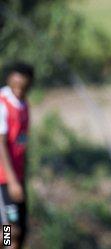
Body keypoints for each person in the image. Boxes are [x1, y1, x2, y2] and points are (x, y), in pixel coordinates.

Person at [0, 62, 33, 249]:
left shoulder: (23, 105)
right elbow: (1, 144)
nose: (19, 85)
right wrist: (12, 181)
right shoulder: (2, 103)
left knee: (20, 230)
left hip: (17, 178)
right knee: (9, 231)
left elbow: (21, 144)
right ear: (10, 79)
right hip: (4, 180)